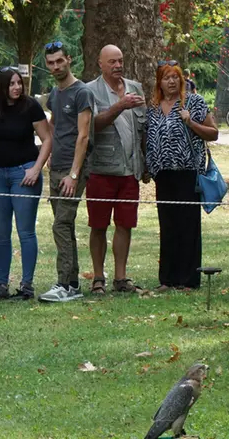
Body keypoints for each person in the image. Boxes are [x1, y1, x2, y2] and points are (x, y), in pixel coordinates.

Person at [0, 67, 52, 300]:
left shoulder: (30, 106)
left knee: (25, 231)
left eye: (19, 83)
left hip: (24, 173)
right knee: (1, 233)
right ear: (1, 85)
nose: (17, 87)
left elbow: (47, 139)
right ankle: (1, 285)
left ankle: (27, 285)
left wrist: (36, 168)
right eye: (11, 83)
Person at [145, 60, 218, 292]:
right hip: (163, 175)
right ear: (159, 82)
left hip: (187, 173)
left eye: (175, 77)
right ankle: (167, 279)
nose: (172, 81)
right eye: (167, 77)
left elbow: (213, 133)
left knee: (188, 226)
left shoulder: (193, 102)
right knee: (168, 226)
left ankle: (189, 280)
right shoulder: (154, 107)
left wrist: (190, 122)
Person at [84, 45, 147, 295]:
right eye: (112, 62)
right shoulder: (90, 90)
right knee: (98, 225)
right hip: (101, 169)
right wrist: (120, 106)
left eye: (120, 61)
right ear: (100, 64)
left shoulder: (135, 87)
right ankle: (98, 277)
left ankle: (121, 277)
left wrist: (145, 163)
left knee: (125, 224)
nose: (118, 65)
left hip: (130, 170)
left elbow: (142, 127)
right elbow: (91, 127)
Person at [37, 42, 93, 303]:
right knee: (65, 226)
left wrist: (73, 174)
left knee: (60, 224)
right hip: (56, 167)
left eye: (60, 61)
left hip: (73, 170)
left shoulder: (82, 92)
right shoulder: (54, 94)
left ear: (69, 59)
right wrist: (47, 157)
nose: (56, 66)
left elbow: (83, 135)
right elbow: (54, 125)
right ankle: (72, 284)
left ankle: (64, 284)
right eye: (51, 62)